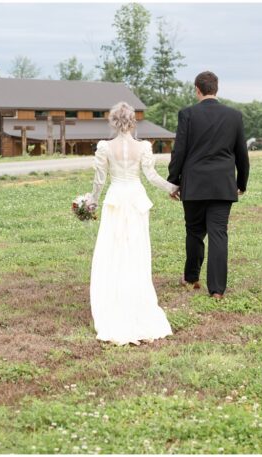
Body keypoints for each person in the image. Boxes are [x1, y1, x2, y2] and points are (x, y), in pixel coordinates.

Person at [88, 101, 178, 346]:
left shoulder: (105, 147)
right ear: (132, 121)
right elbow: (151, 176)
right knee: (136, 249)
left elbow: (99, 180)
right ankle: (135, 296)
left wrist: (91, 201)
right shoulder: (144, 147)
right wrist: (171, 187)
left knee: (113, 248)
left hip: (116, 199)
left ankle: (114, 297)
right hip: (136, 199)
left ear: (113, 121)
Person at [166, 71, 250, 299]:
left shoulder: (187, 114)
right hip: (223, 185)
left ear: (197, 89)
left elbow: (179, 151)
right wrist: (241, 182)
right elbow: (241, 153)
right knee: (218, 234)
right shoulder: (234, 116)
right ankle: (217, 290)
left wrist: (173, 181)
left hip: (194, 184)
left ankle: (192, 277)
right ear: (217, 88)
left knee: (194, 232)